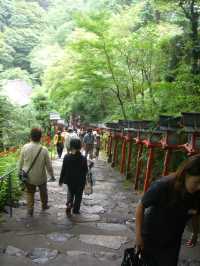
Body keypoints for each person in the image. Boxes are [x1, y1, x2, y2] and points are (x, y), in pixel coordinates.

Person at [135, 154, 200, 266]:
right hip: (151, 236)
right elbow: (141, 206)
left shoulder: (196, 193)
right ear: (186, 174)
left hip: (173, 240)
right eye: (197, 182)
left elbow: (196, 213)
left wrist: (195, 233)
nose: (199, 187)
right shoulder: (163, 186)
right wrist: (138, 236)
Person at [19, 128, 55, 217]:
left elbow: (20, 163)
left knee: (30, 193)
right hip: (41, 177)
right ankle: (44, 205)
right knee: (43, 192)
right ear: (40, 137)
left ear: (30, 136)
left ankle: (30, 209)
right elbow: (49, 165)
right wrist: (52, 175)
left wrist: (19, 173)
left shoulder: (25, 147)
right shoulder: (44, 149)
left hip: (28, 176)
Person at [59, 138, 88, 215]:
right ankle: (76, 210)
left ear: (71, 146)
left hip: (69, 180)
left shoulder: (66, 157)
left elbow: (63, 169)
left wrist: (61, 180)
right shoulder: (83, 158)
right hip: (80, 181)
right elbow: (85, 170)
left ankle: (69, 203)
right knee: (78, 196)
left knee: (70, 192)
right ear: (80, 147)